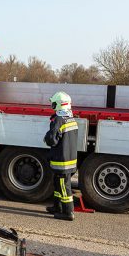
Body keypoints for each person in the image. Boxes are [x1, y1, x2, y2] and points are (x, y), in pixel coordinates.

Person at [43, 91, 78, 221]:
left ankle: (68, 212)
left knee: (64, 187)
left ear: (58, 104)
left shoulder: (58, 119)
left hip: (61, 161)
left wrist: (47, 137)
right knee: (58, 184)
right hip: (69, 159)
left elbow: (52, 140)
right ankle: (57, 207)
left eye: (53, 103)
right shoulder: (70, 117)